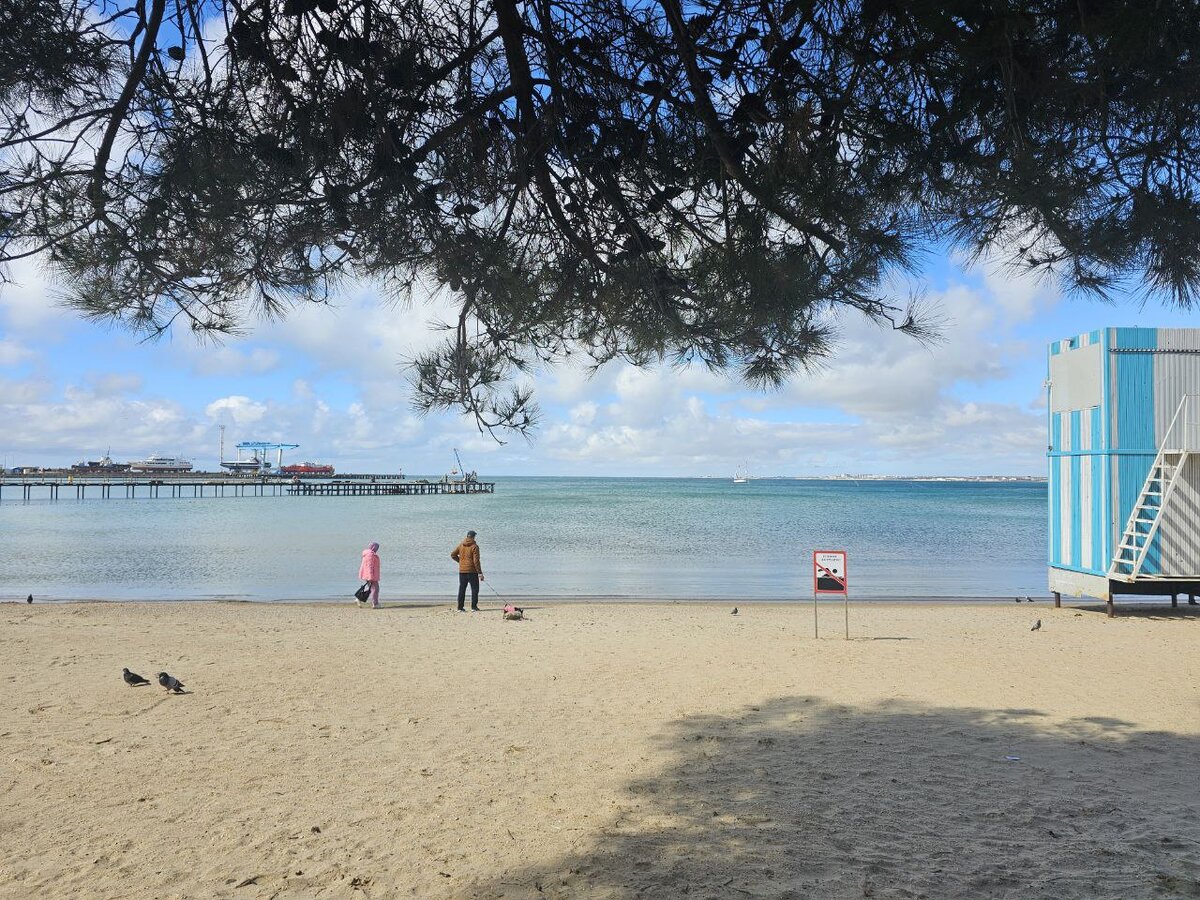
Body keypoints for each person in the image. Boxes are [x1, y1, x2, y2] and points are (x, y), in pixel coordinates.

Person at [451, 530, 483, 612]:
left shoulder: (461, 545)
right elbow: (476, 561)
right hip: (472, 571)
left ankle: (460, 608)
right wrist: (480, 573)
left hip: (462, 571)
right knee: (475, 589)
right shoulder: (475, 546)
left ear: (467, 536)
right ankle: (474, 607)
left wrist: (461, 562)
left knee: (462, 589)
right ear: (473, 537)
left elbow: (453, 555)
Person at [358, 541, 381, 609]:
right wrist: (370, 576)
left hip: (369, 574)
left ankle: (359, 598)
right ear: (373, 547)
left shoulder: (369, 553)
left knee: (372, 589)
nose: (377, 549)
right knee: (376, 589)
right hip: (370, 575)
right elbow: (369, 566)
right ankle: (375, 604)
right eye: (377, 547)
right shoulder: (370, 555)